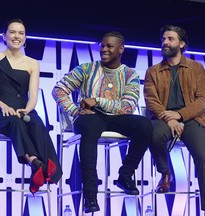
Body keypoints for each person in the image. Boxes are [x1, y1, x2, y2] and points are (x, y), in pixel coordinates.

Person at [52, 31, 153, 213]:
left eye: (109, 46)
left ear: (121, 49)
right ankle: (90, 193)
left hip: (117, 118)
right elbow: (59, 90)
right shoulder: (86, 69)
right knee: (90, 127)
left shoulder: (130, 74)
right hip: (90, 117)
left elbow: (127, 107)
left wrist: (97, 100)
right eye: (102, 45)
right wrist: (76, 111)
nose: (104, 49)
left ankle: (125, 174)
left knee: (145, 126)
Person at [143, 24, 205, 216]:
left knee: (203, 158)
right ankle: (165, 172)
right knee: (154, 134)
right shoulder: (153, 71)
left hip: (192, 119)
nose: (165, 42)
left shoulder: (196, 68)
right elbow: (151, 100)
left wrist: (180, 115)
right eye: (163, 39)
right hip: (164, 118)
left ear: (181, 44)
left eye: (170, 39)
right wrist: (169, 118)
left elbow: (203, 100)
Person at [0, 18, 62, 195]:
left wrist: (28, 109)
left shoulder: (32, 63)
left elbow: (33, 95)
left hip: (23, 109)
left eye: (21, 33)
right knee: (15, 122)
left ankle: (43, 170)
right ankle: (35, 162)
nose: (16, 36)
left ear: (25, 38)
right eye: (12, 32)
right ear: (4, 36)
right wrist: (3, 105)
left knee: (37, 124)